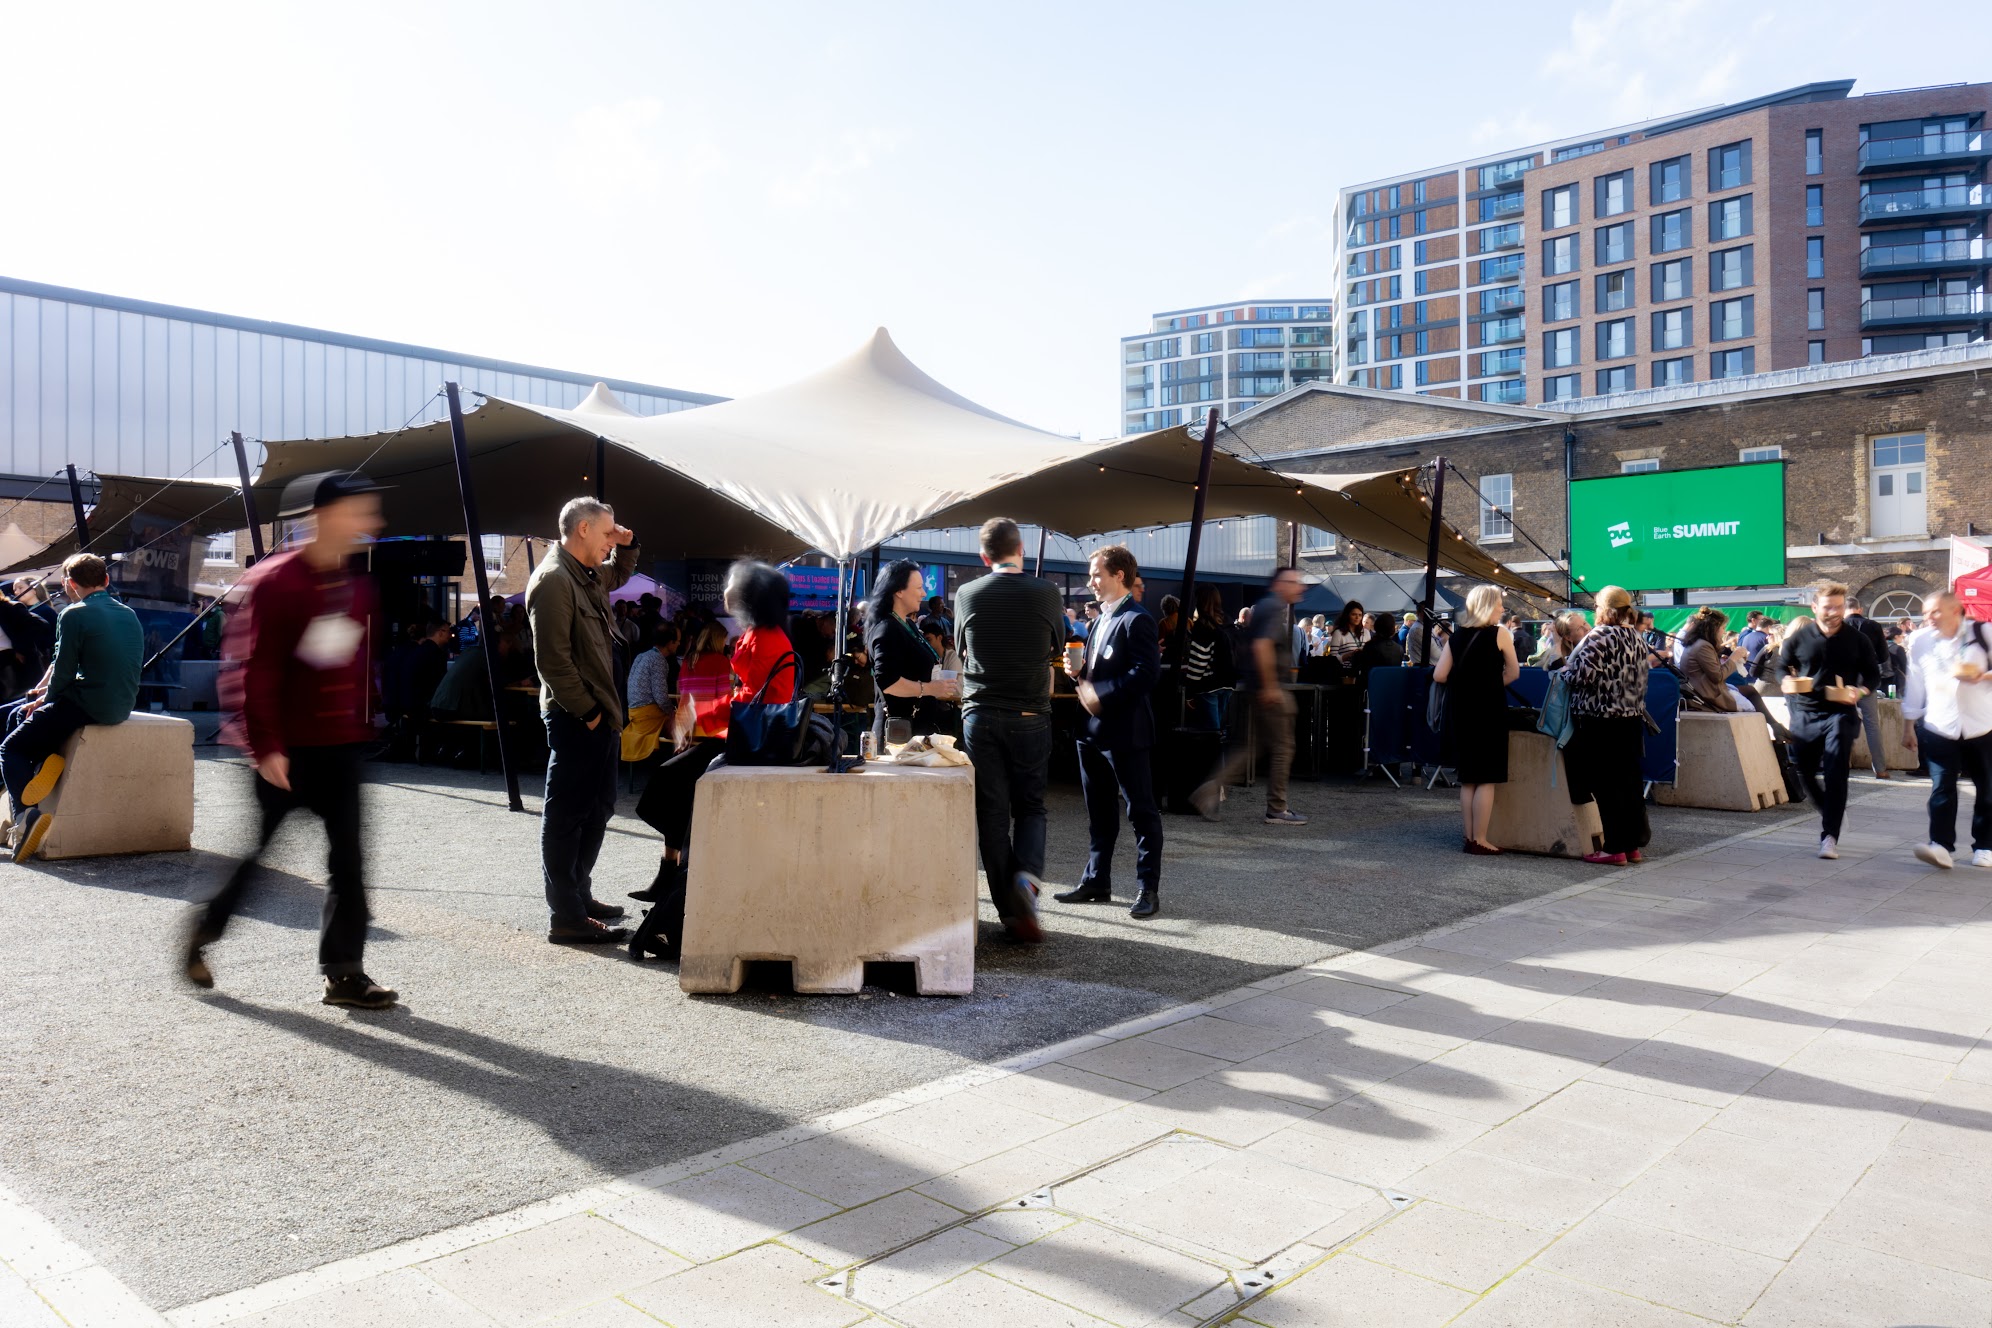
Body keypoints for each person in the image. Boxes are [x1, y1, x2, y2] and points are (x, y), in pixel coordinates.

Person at [187, 472, 397, 1006]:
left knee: (349, 862)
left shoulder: (357, 584)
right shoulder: (275, 580)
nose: (371, 524)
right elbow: (252, 671)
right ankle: (204, 932)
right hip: (287, 749)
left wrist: (365, 720)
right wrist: (265, 747)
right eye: (361, 512)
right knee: (257, 857)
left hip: (340, 745)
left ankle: (344, 971)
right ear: (324, 516)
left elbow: (353, 661)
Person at [632, 563, 796, 929]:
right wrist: (700, 715)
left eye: (731, 585)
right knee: (672, 783)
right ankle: (669, 877)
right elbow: (747, 695)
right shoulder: (762, 632)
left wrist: (697, 715)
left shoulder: (765, 636)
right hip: (748, 735)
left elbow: (750, 698)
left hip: (754, 742)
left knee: (671, 782)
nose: (724, 591)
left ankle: (673, 882)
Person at [527, 496, 641, 944]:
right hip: (580, 717)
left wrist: (628, 544)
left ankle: (578, 895)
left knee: (597, 810)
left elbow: (619, 571)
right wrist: (591, 713)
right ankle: (567, 916)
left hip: (601, 715)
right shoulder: (555, 580)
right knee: (566, 817)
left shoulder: (585, 572)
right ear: (583, 531)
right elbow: (552, 663)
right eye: (608, 533)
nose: (611, 540)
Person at [955, 518, 1064, 943]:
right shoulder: (1046, 591)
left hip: (980, 715)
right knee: (1032, 807)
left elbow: (964, 653)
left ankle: (1010, 912)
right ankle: (1028, 883)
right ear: (1020, 548)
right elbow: (1055, 648)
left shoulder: (967, 593)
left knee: (993, 815)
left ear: (984, 557)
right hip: (1031, 716)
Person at [0, 553, 144, 861]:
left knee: (10, 747)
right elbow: (62, 664)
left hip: (88, 702)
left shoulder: (74, 613)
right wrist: (40, 694)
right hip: (121, 703)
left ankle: (25, 816)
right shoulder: (128, 613)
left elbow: (64, 671)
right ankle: (33, 775)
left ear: (69, 585)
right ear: (106, 580)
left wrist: (42, 699)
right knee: (13, 714)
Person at [1056, 545, 1166, 918]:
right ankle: (1096, 881)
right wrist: (1080, 674)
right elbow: (1104, 669)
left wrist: (1099, 695)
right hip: (1091, 732)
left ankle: (1147, 888)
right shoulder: (1102, 619)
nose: (1091, 581)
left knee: (1141, 812)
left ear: (1119, 575)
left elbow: (1145, 674)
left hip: (1125, 732)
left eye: (1097, 574)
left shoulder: (1138, 619)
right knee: (1099, 812)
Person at [1192, 566, 1308, 826]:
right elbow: (1262, 646)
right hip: (1270, 688)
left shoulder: (1266, 607)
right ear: (1279, 584)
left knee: (1250, 749)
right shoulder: (1271, 608)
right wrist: (1270, 686)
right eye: (1293, 582)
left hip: (1260, 687)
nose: (1299, 587)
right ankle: (1277, 808)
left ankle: (1212, 789)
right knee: (1282, 748)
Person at [1778, 582, 1881, 859]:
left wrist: (1860, 691)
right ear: (1815, 608)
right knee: (1806, 773)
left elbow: (1873, 674)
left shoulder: (1858, 639)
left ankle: (1829, 836)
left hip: (1841, 712)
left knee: (1836, 770)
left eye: (1838, 606)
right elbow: (1779, 667)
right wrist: (1786, 680)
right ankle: (1831, 809)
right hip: (1806, 712)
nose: (1834, 612)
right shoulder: (1798, 639)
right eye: (1827, 607)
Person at [1562, 585, 1654, 866]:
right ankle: (1632, 846)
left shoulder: (1599, 636)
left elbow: (1583, 677)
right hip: (1631, 719)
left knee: (1606, 786)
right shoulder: (1636, 637)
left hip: (1600, 720)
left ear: (1604, 610)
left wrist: (1565, 671)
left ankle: (1614, 847)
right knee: (1628, 783)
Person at [1901, 591, 1991, 870]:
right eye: (1925, 613)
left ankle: (1986, 846)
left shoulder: (1984, 632)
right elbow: (1915, 683)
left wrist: (1982, 676)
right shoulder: (1920, 640)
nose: (1928, 619)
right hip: (1940, 724)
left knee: (1987, 789)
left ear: (1956, 610)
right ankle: (1940, 845)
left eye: (1935, 612)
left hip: (1982, 724)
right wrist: (1908, 724)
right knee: (1942, 787)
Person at [1435, 585, 1520, 855]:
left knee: (1469, 777)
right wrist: (1492, 685)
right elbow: (1514, 672)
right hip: (1489, 710)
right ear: (1488, 606)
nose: (1502, 609)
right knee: (1487, 777)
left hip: (1461, 710)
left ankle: (1469, 836)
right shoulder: (1501, 634)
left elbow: (1439, 675)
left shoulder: (1457, 636)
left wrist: (1464, 684)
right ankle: (1480, 839)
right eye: (1498, 604)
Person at [865, 560, 959, 750]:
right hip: (898, 735)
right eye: (919, 588)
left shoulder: (905, 624)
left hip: (913, 730)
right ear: (899, 591)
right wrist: (930, 688)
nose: (924, 593)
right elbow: (888, 682)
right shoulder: (887, 628)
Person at [1846, 596, 1894, 777]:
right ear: (1860, 608)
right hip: (1867, 678)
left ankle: (1843, 764)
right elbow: (1883, 656)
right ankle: (1880, 768)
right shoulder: (1873, 626)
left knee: (1843, 720)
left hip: (1845, 678)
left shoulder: (1839, 625)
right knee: (1872, 724)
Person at [1182, 585, 1238, 732]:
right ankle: (1219, 754)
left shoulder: (1203, 627)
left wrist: (1188, 694)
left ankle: (1213, 755)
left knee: (1210, 733)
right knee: (1218, 731)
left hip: (1209, 686)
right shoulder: (1227, 623)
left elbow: (1198, 664)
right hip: (1229, 684)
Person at [1677, 607, 1739, 712]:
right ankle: (1773, 726)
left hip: (1700, 692)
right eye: (1723, 628)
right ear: (1714, 628)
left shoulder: (1697, 643)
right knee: (1751, 696)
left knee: (1749, 692)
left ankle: (1774, 725)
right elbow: (1718, 676)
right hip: (1705, 697)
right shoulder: (1703, 646)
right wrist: (1734, 657)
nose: (1724, 632)